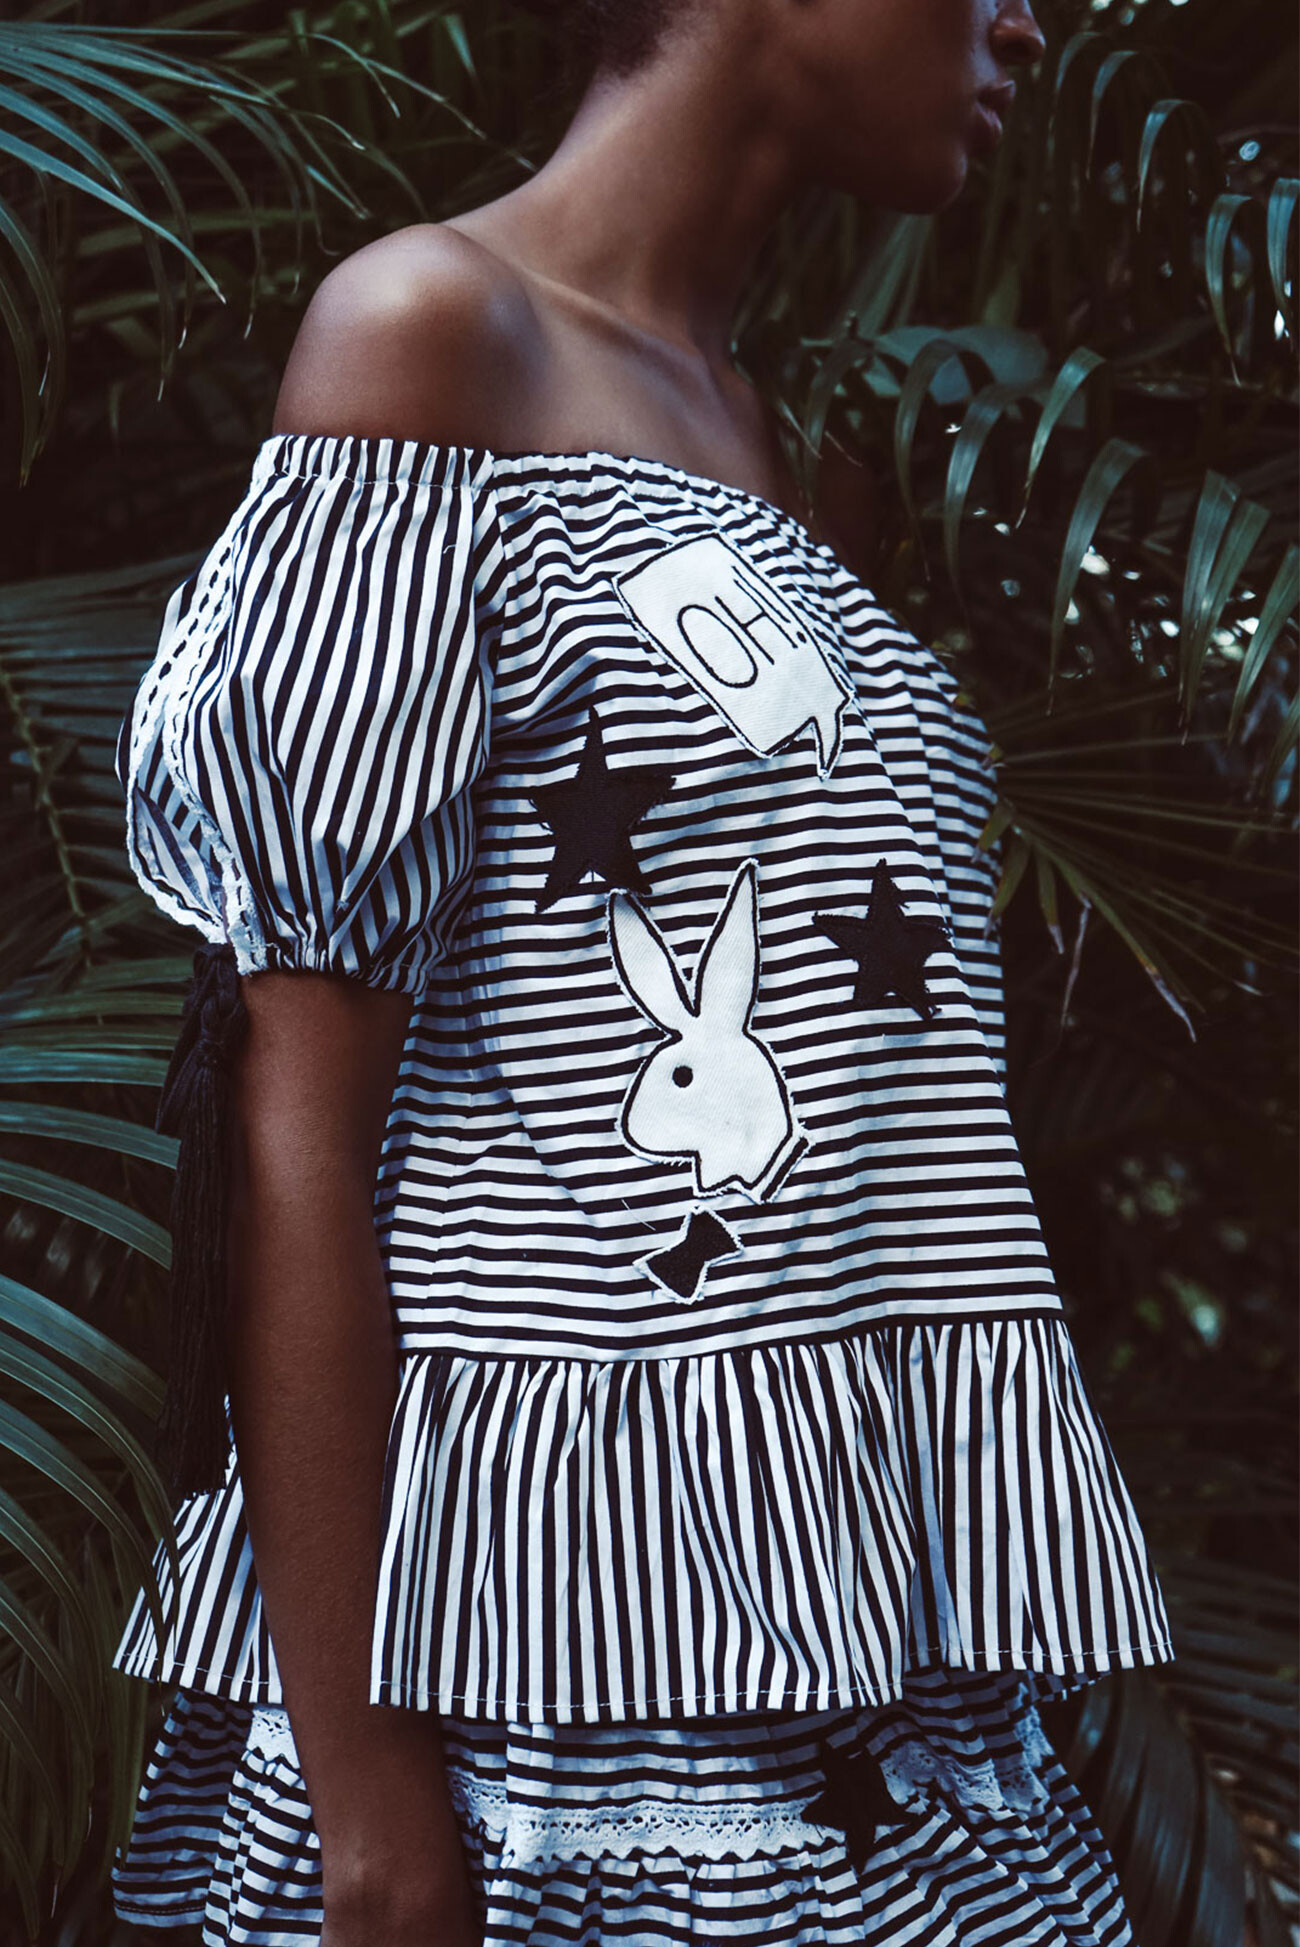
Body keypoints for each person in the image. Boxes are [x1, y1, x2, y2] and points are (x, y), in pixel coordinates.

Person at [110, 1, 1176, 1942]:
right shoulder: (430, 335)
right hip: (542, 1707)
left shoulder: (771, 449)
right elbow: (299, 1106)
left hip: (857, 1661)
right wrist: (369, 1806)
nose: (1025, 23)